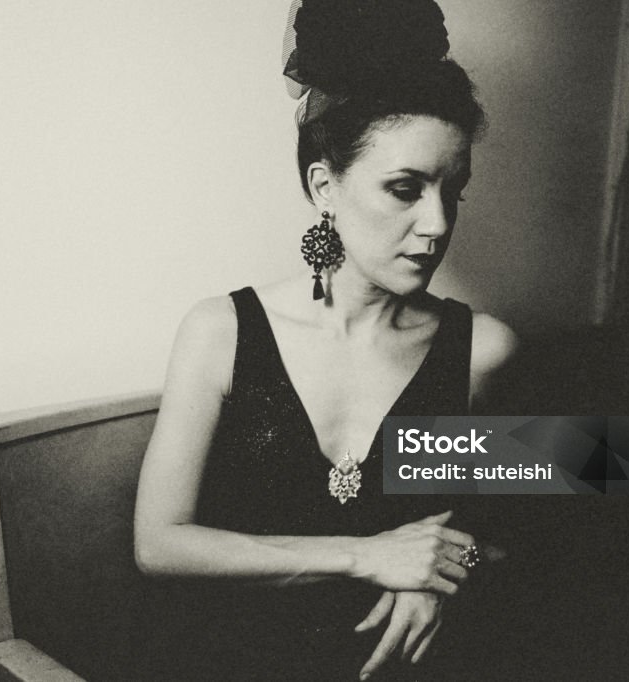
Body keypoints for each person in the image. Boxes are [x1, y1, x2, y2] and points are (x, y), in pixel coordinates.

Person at [133, 1, 516, 679]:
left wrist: (437, 573)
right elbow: (160, 543)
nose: (436, 224)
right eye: (405, 188)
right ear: (325, 188)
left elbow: (516, 531)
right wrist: (365, 553)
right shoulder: (220, 333)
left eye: (452, 191)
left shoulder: (480, 350)